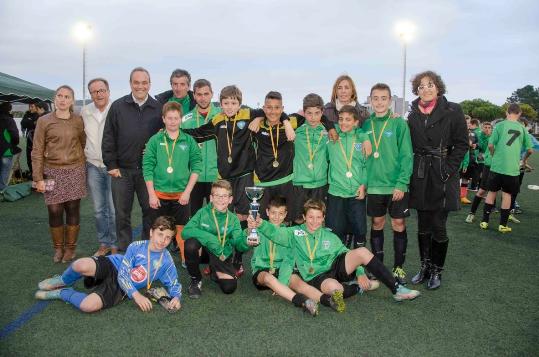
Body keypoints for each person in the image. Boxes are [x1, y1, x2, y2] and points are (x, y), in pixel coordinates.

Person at [182, 85, 291, 276]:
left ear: (240, 103)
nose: (230, 106)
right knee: (222, 219)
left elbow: (272, 112)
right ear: (221, 103)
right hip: (224, 178)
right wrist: (177, 130)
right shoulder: (217, 119)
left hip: (244, 176)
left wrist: (283, 121)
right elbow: (199, 132)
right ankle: (218, 259)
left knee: (241, 218)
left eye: (234, 102)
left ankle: (237, 261)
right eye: (226, 103)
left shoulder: (248, 114)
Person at [249, 199, 420, 313]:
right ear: (303, 217)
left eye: (318, 217)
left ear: (323, 218)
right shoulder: (293, 232)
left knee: (361, 252)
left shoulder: (330, 236)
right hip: (316, 276)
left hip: (335, 266)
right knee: (336, 290)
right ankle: (357, 288)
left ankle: (396, 288)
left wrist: (360, 272)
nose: (314, 221)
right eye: (310, 217)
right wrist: (261, 223)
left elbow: (344, 252)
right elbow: (276, 234)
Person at [35, 216, 181, 313]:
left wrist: (176, 297)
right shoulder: (136, 246)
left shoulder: (166, 261)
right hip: (115, 266)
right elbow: (123, 274)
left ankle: (62, 293)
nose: (163, 240)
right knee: (80, 265)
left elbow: (174, 283)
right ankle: (62, 280)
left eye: (168, 238)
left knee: (88, 306)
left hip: (122, 288)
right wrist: (136, 295)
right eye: (160, 234)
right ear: (151, 232)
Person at [407, 70, 468, 290]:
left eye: (430, 84)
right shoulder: (412, 114)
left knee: (438, 226)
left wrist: (448, 170)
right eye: (421, 86)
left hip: (442, 175)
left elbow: (462, 144)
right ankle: (424, 267)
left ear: (438, 87)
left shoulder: (453, 110)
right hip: (420, 174)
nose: (425, 89)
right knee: (422, 225)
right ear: (417, 91)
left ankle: (436, 270)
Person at [102, 67, 163, 251]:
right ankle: (125, 251)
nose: (140, 86)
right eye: (136, 82)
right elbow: (108, 136)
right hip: (122, 170)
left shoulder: (158, 108)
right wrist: (111, 164)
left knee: (151, 212)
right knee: (122, 214)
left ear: (149, 84)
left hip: (148, 173)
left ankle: (147, 249)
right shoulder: (118, 106)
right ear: (130, 84)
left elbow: (166, 137)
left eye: (144, 82)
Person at [362, 83, 413, 285]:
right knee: (377, 223)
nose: (380, 102)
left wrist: (401, 183)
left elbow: (406, 155)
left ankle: (399, 267)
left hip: (395, 186)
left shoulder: (399, 124)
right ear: (370, 100)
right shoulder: (366, 125)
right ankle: (378, 266)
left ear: (390, 101)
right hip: (374, 186)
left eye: (384, 98)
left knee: (398, 223)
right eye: (376, 98)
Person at [31, 85, 87, 263]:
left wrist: (74, 158)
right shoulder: (44, 121)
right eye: (60, 96)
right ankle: (58, 249)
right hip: (51, 172)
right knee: (54, 210)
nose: (63, 100)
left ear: (72, 100)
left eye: (67, 97)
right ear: (55, 98)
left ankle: (70, 249)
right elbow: (37, 150)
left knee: (72, 209)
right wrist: (38, 178)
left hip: (74, 170)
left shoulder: (78, 120)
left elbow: (82, 142)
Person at [143, 101, 202, 266]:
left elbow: (196, 166)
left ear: (180, 119)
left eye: (176, 118)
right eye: (169, 118)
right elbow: (147, 167)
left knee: (182, 228)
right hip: (159, 195)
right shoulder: (155, 140)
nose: (173, 121)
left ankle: (185, 258)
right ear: (163, 119)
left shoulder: (188, 141)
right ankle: (155, 258)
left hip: (181, 195)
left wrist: (187, 192)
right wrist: (151, 194)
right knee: (159, 229)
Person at [249, 196, 319, 316]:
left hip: (281, 269)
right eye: (273, 213)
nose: (276, 217)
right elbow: (244, 241)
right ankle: (302, 301)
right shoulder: (258, 227)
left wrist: (282, 281)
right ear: (267, 212)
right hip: (262, 271)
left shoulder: (289, 234)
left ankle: (327, 299)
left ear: (286, 214)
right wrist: (249, 231)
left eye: (280, 214)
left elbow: (288, 261)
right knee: (268, 278)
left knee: (299, 283)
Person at [182, 180, 250, 298]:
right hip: (204, 252)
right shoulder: (202, 213)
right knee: (190, 244)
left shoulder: (233, 219)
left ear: (230, 199)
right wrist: (210, 238)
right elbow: (185, 232)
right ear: (211, 198)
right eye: (217, 196)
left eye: (224, 196)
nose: (220, 199)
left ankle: (214, 270)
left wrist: (246, 239)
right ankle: (195, 279)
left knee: (229, 288)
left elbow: (239, 244)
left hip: (221, 253)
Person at [480, 104, 533, 233]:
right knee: (507, 195)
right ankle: (502, 225)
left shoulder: (499, 125)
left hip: (497, 166)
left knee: (491, 192)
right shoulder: (522, 128)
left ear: (506, 112)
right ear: (519, 114)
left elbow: (491, 145)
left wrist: (494, 156)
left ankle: (484, 221)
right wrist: (524, 161)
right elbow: (530, 150)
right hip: (512, 168)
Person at [325, 105, 371, 249]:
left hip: (355, 193)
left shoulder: (361, 139)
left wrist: (363, 185)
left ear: (356, 122)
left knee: (359, 231)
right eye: (341, 119)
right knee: (336, 232)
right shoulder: (331, 137)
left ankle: (358, 268)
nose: (343, 122)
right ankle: (339, 267)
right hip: (335, 193)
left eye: (348, 120)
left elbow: (365, 166)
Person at [82, 78, 117, 256]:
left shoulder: (117, 109)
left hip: (112, 166)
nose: (99, 94)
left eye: (102, 90)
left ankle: (115, 244)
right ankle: (104, 244)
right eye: (95, 91)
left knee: (113, 209)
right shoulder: (85, 111)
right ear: (91, 94)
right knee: (98, 209)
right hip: (93, 166)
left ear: (108, 91)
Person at [181, 79, 220, 215]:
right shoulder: (185, 120)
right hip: (193, 178)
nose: (203, 98)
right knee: (192, 218)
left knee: (216, 218)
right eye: (199, 94)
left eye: (206, 94)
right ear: (194, 95)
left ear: (212, 94)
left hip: (216, 176)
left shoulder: (222, 116)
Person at [291, 94, 331, 224]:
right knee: (298, 219)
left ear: (322, 112)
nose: (313, 117)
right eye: (309, 113)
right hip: (299, 182)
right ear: (303, 112)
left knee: (316, 220)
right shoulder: (296, 130)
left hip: (320, 183)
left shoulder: (329, 132)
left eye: (317, 113)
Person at [466, 121, 493, 223]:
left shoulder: (494, 136)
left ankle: (492, 211)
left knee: (493, 190)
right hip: (483, 161)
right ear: (482, 128)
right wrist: (476, 147)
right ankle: (471, 213)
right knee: (482, 189)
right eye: (485, 127)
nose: (487, 129)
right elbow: (478, 145)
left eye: (489, 127)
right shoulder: (479, 135)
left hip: (494, 165)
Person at [0, 102, 21, 191]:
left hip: (5, 148)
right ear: (9, 109)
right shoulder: (8, 120)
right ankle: (2, 190)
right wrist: (14, 144)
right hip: (6, 149)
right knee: (5, 170)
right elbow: (15, 135)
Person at [20, 101, 38, 177]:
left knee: (36, 157)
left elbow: (34, 124)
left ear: (37, 107)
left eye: (32, 106)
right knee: (29, 157)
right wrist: (31, 122)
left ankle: (37, 174)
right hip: (29, 139)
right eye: (29, 106)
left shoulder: (38, 115)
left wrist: (29, 122)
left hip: (37, 140)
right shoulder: (27, 114)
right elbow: (22, 123)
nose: (30, 108)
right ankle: (31, 172)